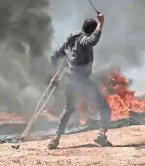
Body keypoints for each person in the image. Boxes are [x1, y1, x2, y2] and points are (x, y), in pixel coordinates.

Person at [47, 12, 112, 150]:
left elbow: (54, 56)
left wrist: (55, 75)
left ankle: (55, 139)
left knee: (68, 108)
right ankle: (101, 135)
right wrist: (102, 21)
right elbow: (93, 40)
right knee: (105, 107)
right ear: (92, 31)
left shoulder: (71, 39)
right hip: (83, 82)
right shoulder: (84, 42)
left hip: (70, 81)